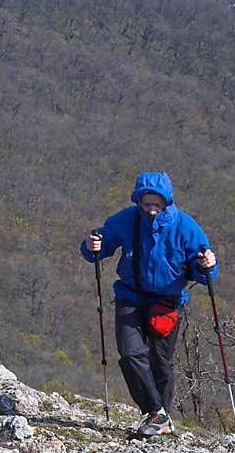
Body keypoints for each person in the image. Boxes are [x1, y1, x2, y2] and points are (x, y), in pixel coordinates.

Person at [80, 171, 216, 436]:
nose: (152, 210)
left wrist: (208, 265)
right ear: (139, 201)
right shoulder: (126, 220)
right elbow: (101, 246)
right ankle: (156, 412)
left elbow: (203, 270)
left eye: (157, 204)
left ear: (166, 201)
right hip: (129, 297)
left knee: (160, 361)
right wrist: (91, 246)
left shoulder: (185, 227)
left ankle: (160, 419)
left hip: (167, 303)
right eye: (147, 204)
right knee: (131, 353)